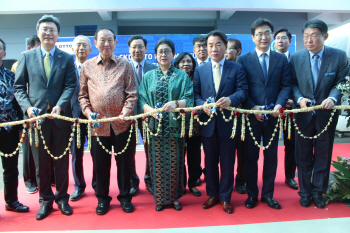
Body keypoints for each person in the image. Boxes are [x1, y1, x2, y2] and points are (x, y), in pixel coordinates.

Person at [14, 14, 77, 220]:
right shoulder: (26, 56)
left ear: (58, 34)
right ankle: (45, 201)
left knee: (61, 162)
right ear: (38, 32)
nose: (48, 33)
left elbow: (70, 86)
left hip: (60, 119)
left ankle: (62, 200)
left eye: (52, 30)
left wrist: (60, 105)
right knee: (41, 164)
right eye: (45, 29)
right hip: (37, 120)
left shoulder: (66, 58)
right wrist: (28, 108)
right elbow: (19, 87)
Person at [290, 19, 349, 209]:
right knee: (303, 154)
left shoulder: (339, 56)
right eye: (306, 36)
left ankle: (318, 192)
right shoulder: (296, 57)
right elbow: (291, 84)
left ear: (325, 36)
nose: (309, 40)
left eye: (314, 36)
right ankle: (305, 192)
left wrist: (332, 98)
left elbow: (342, 82)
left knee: (323, 154)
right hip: (303, 115)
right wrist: (299, 99)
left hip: (326, 115)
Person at [79, 28, 137, 215]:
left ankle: (125, 198)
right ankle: (102, 199)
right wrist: (88, 113)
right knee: (100, 165)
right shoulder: (87, 66)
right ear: (95, 43)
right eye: (102, 40)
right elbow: (82, 96)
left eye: (110, 40)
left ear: (115, 42)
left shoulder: (125, 65)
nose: (106, 44)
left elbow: (132, 93)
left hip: (122, 125)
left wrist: (125, 112)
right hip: (97, 126)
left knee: (124, 164)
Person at [237, 18, 291, 210]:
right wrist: (252, 108)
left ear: (272, 36)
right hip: (252, 116)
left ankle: (268, 194)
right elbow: (242, 88)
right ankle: (252, 194)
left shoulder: (281, 59)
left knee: (271, 157)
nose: (264, 37)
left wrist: (279, 105)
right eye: (259, 34)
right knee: (251, 157)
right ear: (252, 37)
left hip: (274, 117)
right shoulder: (243, 59)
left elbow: (285, 86)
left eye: (267, 33)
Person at [193, 30, 248, 214]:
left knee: (227, 162)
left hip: (228, 124)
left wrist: (231, 100)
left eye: (218, 44)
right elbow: (196, 95)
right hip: (207, 124)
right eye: (210, 45)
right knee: (210, 162)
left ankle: (225, 197)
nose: (214, 48)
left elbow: (243, 91)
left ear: (225, 47)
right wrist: (202, 105)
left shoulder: (236, 68)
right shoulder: (200, 70)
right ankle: (213, 194)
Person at [138, 38, 194, 211]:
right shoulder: (149, 76)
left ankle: (175, 198)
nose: (164, 54)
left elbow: (189, 98)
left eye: (167, 51)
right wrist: (151, 111)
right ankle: (160, 198)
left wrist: (176, 104)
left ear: (173, 55)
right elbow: (142, 99)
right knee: (156, 163)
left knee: (175, 163)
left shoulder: (181, 76)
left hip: (175, 128)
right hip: (155, 129)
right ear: (155, 55)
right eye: (160, 51)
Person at [0, 38, 29, 213]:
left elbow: (19, 104)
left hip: (9, 128)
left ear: (4, 53)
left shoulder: (12, 76)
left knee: (10, 168)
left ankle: (11, 201)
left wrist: (21, 129)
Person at [11, 35, 42, 194]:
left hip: (44, 111)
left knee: (44, 147)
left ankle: (46, 178)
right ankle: (29, 180)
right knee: (28, 148)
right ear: (30, 48)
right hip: (27, 111)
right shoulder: (19, 63)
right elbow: (19, 90)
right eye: (37, 47)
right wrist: (27, 109)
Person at [127, 35, 157, 196]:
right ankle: (133, 181)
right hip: (130, 116)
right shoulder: (123, 67)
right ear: (129, 49)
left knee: (150, 149)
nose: (137, 50)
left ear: (146, 49)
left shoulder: (154, 68)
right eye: (134, 47)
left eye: (140, 47)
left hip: (149, 116)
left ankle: (150, 179)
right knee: (129, 150)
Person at [69, 35, 96, 201]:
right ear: (72, 49)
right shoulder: (67, 68)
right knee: (75, 154)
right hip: (73, 117)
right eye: (78, 45)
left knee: (97, 153)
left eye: (84, 45)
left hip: (92, 116)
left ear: (90, 50)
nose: (81, 48)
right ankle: (79, 186)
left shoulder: (95, 67)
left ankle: (97, 184)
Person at [174, 52, 202, 197]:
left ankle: (193, 183)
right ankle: (180, 185)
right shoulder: (174, 79)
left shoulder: (198, 79)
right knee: (178, 155)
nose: (186, 64)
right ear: (177, 64)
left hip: (195, 125)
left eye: (189, 61)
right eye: (183, 61)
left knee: (194, 155)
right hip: (177, 123)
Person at [274, 28, 298, 190]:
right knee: (269, 145)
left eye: (284, 38)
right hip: (272, 109)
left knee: (292, 144)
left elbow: (297, 83)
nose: (280, 41)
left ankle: (290, 176)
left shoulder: (296, 60)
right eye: (277, 38)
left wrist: (292, 101)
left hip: (291, 110)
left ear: (290, 41)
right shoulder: (270, 59)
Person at [224, 38, 246, 195]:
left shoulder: (243, 67)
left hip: (244, 117)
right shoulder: (220, 68)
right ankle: (226, 182)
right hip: (225, 118)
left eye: (229, 49)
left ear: (238, 51)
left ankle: (241, 180)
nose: (225, 52)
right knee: (226, 154)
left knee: (243, 151)